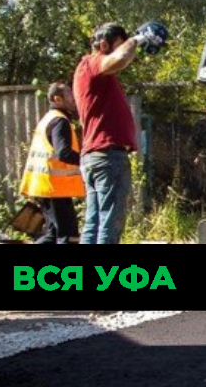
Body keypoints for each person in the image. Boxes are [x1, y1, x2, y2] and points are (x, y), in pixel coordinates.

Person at [73, 22, 150, 244]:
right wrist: (136, 40)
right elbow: (119, 59)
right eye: (119, 44)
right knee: (110, 223)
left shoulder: (90, 71)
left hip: (96, 155)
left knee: (94, 222)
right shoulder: (94, 64)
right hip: (107, 156)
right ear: (104, 45)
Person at [19, 82, 83, 244]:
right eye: (69, 94)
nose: (74, 98)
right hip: (54, 188)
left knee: (53, 234)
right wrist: (87, 158)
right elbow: (64, 153)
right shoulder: (59, 121)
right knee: (68, 236)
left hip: (47, 186)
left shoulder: (48, 119)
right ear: (57, 99)